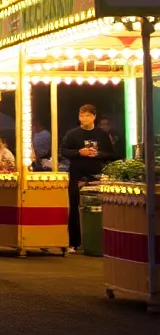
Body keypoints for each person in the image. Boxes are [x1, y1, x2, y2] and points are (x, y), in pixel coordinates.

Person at [60, 103, 115, 252]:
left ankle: (99, 241)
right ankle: (74, 243)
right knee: (74, 207)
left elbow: (112, 154)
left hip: (97, 174)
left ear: (94, 117)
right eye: (81, 115)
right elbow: (63, 151)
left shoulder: (102, 134)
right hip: (77, 175)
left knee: (100, 207)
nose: (83, 118)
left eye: (87, 115)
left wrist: (99, 154)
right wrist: (79, 152)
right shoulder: (72, 134)